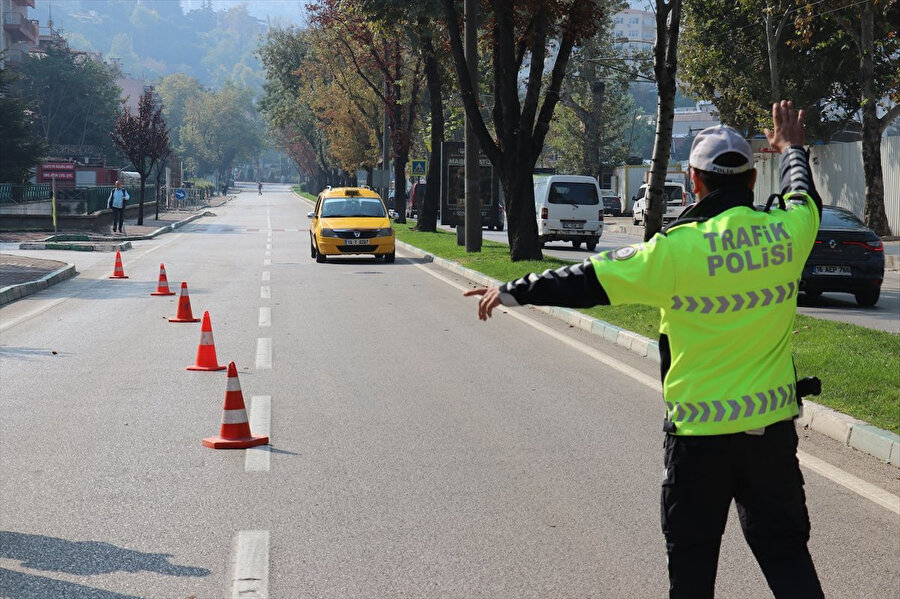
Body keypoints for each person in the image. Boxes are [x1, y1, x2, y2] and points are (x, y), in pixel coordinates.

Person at [464, 101, 824, 599]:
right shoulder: (788, 233)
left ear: (694, 181)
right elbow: (804, 195)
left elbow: (585, 280)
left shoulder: (675, 251)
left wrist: (513, 290)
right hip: (771, 441)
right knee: (787, 559)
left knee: (692, 570)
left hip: (699, 443)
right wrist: (792, 148)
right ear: (750, 181)